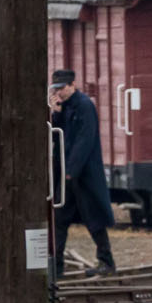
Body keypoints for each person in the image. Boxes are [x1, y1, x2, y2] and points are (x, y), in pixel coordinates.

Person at [50, 67, 118, 276]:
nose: (59, 92)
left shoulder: (84, 106)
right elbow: (58, 137)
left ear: (72, 85)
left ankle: (106, 262)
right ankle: (57, 266)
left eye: (62, 88)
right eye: (56, 88)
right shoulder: (66, 108)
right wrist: (56, 114)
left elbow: (84, 141)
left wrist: (71, 171)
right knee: (59, 219)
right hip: (67, 173)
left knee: (93, 218)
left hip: (83, 175)